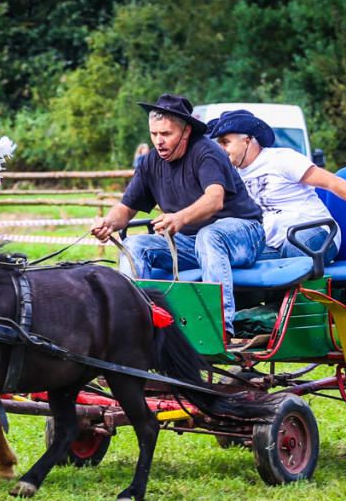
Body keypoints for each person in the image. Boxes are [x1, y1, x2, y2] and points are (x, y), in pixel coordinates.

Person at [91, 94, 265, 336]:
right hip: (192, 243)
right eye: (154, 134)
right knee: (134, 244)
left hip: (243, 234)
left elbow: (215, 199)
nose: (158, 141)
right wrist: (108, 222)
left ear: (185, 132)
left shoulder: (207, 151)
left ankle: (220, 329)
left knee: (209, 236)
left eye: (166, 134)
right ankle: (131, 329)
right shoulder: (150, 162)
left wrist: (179, 218)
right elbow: (126, 208)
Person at [209, 110, 346, 266]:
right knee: (234, 258)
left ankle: (289, 309)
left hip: (315, 234)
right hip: (275, 245)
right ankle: (247, 314)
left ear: (247, 140)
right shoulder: (233, 176)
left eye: (225, 142)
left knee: (295, 245)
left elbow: (332, 182)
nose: (221, 149)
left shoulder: (281, 159)